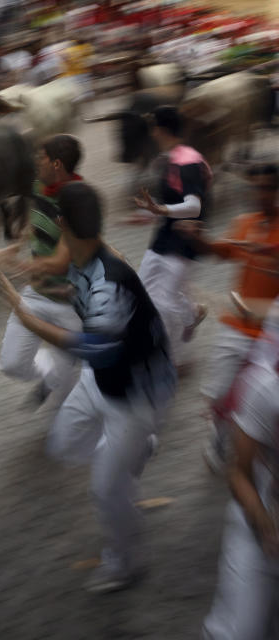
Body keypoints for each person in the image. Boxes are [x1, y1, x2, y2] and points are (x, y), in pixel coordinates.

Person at [0, 182, 175, 593]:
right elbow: (78, 296)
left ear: (61, 225)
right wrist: (38, 277)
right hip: (104, 380)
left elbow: (94, 348)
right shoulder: (85, 257)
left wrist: (25, 316)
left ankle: (125, 562)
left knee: (105, 488)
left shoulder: (107, 280)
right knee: (63, 442)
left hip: (135, 394)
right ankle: (135, 450)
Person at [175, 164, 279, 474]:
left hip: (272, 335)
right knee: (219, 392)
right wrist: (197, 237)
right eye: (255, 188)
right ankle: (220, 435)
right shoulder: (244, 223)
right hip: (236, 326)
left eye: (266, 188)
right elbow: (218, 251)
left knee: (266, 401)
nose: (260, 195)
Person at [0, 134, 84, 410]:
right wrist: (14, 248)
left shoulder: (78, 199)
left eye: (39, 157)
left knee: (65, 409)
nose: (35, 161)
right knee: (11, 364)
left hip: (70, 305)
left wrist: (17, 266)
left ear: (56, 164)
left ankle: (65, 374)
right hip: (37, 294)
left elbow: (60, 262)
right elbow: (36, 225)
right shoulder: (40, 187)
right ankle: (54, 373)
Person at [200, 320, 279, 639]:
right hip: (259, 514)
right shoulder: (266, 389)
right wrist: (264, 523)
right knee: (241, 631)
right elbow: (238, 472)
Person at [130, 106, 210, 368]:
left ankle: (172, 361)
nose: (151, 131)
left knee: (164, 302)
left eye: (153, 126)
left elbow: (194, 206)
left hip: (184, 240)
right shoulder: (169, 158)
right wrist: (148, 214)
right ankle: (191, 313)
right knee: (142, 291)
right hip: (165, 235)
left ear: (161, 129)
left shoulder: (186, 161)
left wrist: (160, 209)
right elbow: (171, 204)